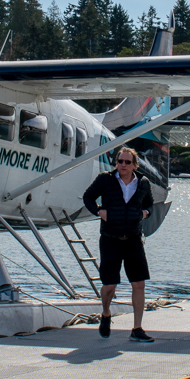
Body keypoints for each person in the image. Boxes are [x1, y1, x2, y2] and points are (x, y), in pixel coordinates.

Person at [81, 146, 155, 342]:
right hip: (110, 239)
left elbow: (150, 204)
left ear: (134, 165)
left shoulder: (143, 183)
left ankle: (137, 328)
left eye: (127, 162)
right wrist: (99, 211)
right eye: (120, 161)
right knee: (109, 285)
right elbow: (87, 197)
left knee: (139, 284)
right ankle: (106, 314)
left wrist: (145, 213)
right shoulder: (105, 179)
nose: (122, 165)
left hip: (133, 239)